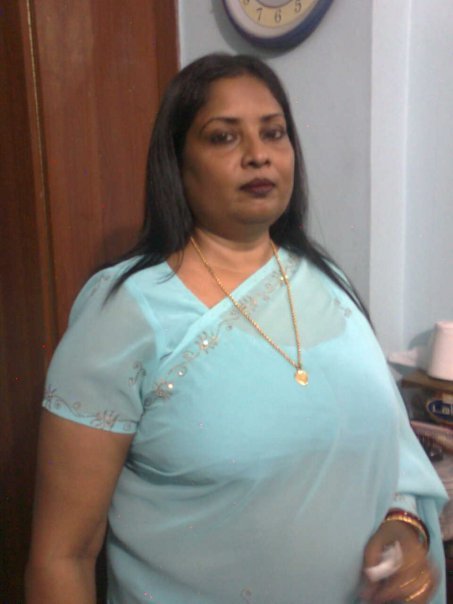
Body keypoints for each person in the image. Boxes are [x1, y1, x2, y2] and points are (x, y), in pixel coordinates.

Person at [26, 53, 447, 604]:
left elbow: (393, 461)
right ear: (177, 162)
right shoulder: (125, 313)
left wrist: (405, 529)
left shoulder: (329, 284)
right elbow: (64, 555)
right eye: (224, 137)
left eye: (274, 133)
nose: (258, 154)